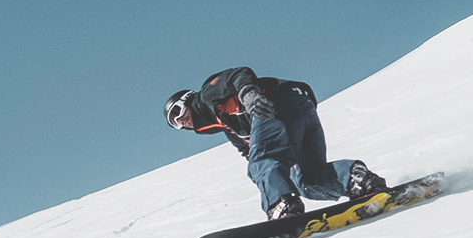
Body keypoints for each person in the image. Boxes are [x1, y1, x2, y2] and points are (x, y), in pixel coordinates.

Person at [164, 67, 388, 220]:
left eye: (177, 112)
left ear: (188, 100)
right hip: (303, 109)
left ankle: (281, 204)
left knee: (263, 161)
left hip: (277, 103)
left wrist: (249, 95)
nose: (180, 121)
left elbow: (237, 74)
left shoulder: (205, 96)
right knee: (307, 179)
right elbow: (249, 151)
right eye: (174, 124)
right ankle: (355, 179)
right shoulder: (229, 127)